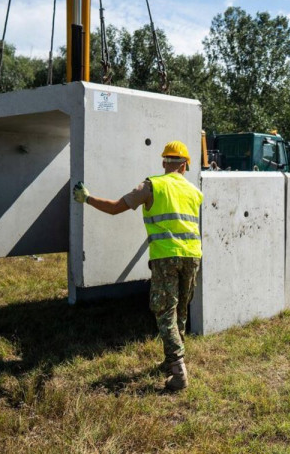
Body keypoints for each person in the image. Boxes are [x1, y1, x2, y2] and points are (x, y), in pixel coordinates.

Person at [73, 140, 203, 391]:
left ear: (165, 162)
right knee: (181, 310)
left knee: (164, 310)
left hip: (166, 256)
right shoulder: (194, 192)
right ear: (186, 165)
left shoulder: (152, 185)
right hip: (193, 255)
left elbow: (114, 208)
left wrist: (87, 199)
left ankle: (178, 372)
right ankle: (172, 359)